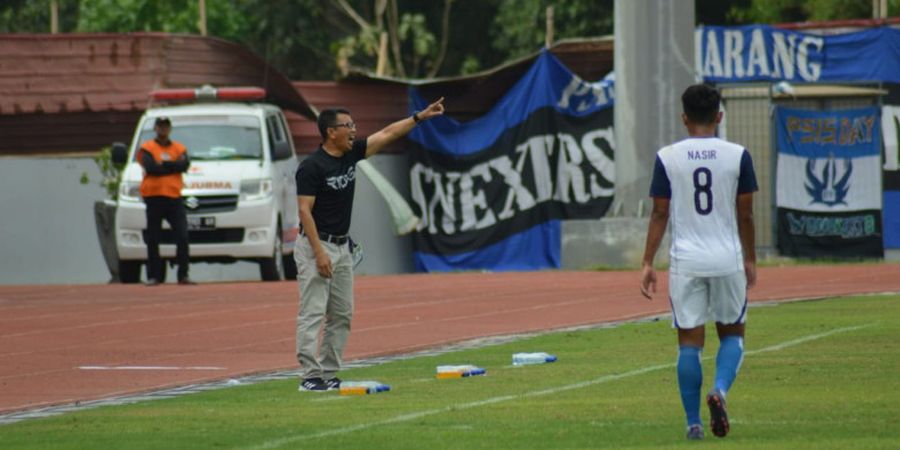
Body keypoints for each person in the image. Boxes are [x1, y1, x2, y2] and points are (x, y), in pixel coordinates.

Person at [294, 98, 445, 391]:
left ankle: (328, 374)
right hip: (317, 247)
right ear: (330, 132)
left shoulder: (351, 155)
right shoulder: (311, 167)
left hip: (342, 247)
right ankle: (309, 377)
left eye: (354, 125)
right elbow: (303, 212)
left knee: (342, 313)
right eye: (348, 125)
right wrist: (319, 252)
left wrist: (419, 117)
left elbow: (387, 133)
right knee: (313, 312)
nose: (354, 130)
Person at [639, 84, 757, 440]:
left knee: (689, 342)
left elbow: (660, 212)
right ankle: (719, 390)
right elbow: (746, 213)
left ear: (684, 118)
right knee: (732, 333)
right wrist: (750, 258)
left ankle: (693, 424)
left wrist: (647, 261)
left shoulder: (667, 156)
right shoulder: (738, 155)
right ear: (719, 117)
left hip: (686, 261)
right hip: (726, 259)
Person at [138, 117, 195, 286]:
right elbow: (151, 168)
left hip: (174, 198)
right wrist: (172, 166)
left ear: (170, 129)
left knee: (183, 236)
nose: (163, 129)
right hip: (154, 197)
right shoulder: (146, 148)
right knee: (153, 237)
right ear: (155, 128)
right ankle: (154, 275)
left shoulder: (179, 147)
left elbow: (184, 165)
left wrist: (163, 164)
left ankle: (183, 274)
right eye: (160, 126)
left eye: (166, 126)